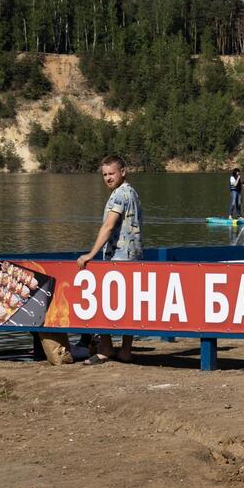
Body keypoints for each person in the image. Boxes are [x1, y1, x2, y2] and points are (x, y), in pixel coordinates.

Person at [77, 154, 143, 364]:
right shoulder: (132, 192)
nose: (107, 178)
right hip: (135, 257)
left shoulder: (118, 196)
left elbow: (109, 225)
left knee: (103, 302)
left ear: (123, 172)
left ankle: (105, 348)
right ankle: (125, 350)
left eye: (111, 173)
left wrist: (91, 254)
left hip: (118, 258)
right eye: (104, 174)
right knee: (128, 304)